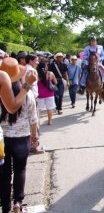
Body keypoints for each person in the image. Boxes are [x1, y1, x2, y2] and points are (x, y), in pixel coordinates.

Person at [0, 80, 39, 213]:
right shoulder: (28, 95)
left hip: (3, 139)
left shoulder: (1, 93)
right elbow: (33, 119)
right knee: (20, 170)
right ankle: (18, 202)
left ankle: (5, 206)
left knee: (4, 174)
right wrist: (35, 136)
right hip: (22, 137)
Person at [37, 60, 57, 125]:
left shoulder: (36, 74)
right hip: (50, 94)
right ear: (45, 67)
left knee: (38, 109)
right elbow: (56, 82)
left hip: (40, 94)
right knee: (49, 108)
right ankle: (50, 121)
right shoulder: (50, 73)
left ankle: (37, 122)